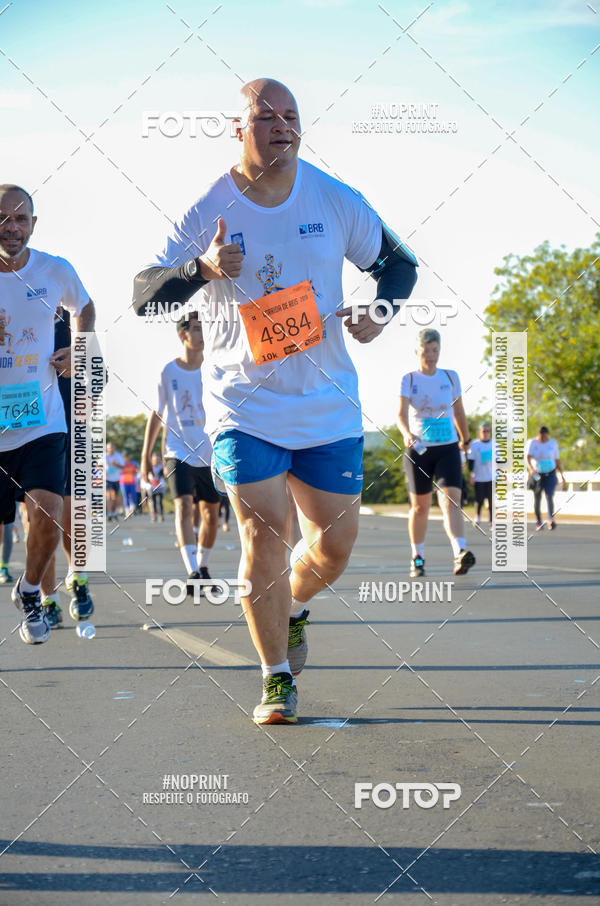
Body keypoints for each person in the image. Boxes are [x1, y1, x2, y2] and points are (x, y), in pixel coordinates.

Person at [133, 78, 418, 724]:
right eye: (267, 116)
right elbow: (144, 293)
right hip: (243, 407)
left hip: (325, 403)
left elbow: (400, 266)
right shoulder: (209, 206)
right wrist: (202, 270)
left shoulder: (333, 198)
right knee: (264, 534)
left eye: (292, 115)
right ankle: (275, 679)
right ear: (239, 128)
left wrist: (378, 308)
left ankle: (290, 603)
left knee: (335, 547)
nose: (282, 125)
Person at [0, 184, 95, 643]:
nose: (11, 227)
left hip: (41, 419)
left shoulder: (55, 270)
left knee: (51, 509)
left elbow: (86, 306)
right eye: (3, 219)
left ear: (33, 224)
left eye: (20, 219)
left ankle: (34, 591)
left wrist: (79, 349)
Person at [141, 312, 220, 593]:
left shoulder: (215, 368)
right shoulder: (169, 371)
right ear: (182, 335)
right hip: (177, 450)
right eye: (196, 329)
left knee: (211, 514)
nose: (201, 334)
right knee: (184, 506)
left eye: (204, 328)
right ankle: (192, 572)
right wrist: (145, 457)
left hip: (211, 451)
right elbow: (157, 413)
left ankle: (204, 565)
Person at [398, 329, 475, 578]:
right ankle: (417, 557)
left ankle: (460, 552)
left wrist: (466, 441)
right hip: (419, 450)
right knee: (421, 507)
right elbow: (399, 414)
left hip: (448, 448)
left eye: (435, 351)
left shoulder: (451, 378)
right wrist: (406, 433)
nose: (430, 356)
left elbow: (459, 412)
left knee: (451, 499)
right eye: (426, 351)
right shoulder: (409, 379)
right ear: (417, 351)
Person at [40, 305, 94, 627]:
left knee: (72, 513)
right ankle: (47, 599)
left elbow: (87, 313)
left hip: (67, 417)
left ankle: (79, 577)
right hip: (26, 419)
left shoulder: (65, 313)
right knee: (39, 516)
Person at [526, 426, 566, 530]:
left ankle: (550, 519)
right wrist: (530, 468)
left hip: (550, 473)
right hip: (537, 474)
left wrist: (562, 475)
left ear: (547, 435)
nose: (543, 438)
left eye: (544, 436)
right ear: (538, 435)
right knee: (537, 497)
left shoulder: (552, 443)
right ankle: (539, 521)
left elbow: (557, 460)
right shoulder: (532, 443)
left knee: (549, 496)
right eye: (541, 436)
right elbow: (527, 457)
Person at [468, 422, 494, 529]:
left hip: (491, 477)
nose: (486, 433)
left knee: (491, 500)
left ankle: (492, 521)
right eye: (484, 431)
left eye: (488, 431)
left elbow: (500, 461)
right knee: (479, 499)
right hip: (479, 477)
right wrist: (471, 475)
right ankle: (477, 517)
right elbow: (471, 461)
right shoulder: (474, 444)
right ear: (479, 432)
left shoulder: (495, 444)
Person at [106, 441, 124, 521]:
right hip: (107, 479)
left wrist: (115, 464)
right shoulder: (104, 456)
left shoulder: (118, 456)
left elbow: (123, 467)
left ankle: (113, 512)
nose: (111, 449)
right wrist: (103, 471)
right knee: (109, 496)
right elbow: (97, 464)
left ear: (114, 448)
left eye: (112, 448)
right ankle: (109, 513)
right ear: (107, 448)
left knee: (115, 497)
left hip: (116, 479)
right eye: (109, 448)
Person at [119, 451, 138, 517]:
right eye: (124, 457)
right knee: (125, 496)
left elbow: (136, 472)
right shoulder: (121, 464)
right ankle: (127, 511)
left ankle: (132, 509)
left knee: (133, 496)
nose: (126, 458)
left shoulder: (133, 464)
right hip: (123, 482)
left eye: (127, 456)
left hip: (132, 482)